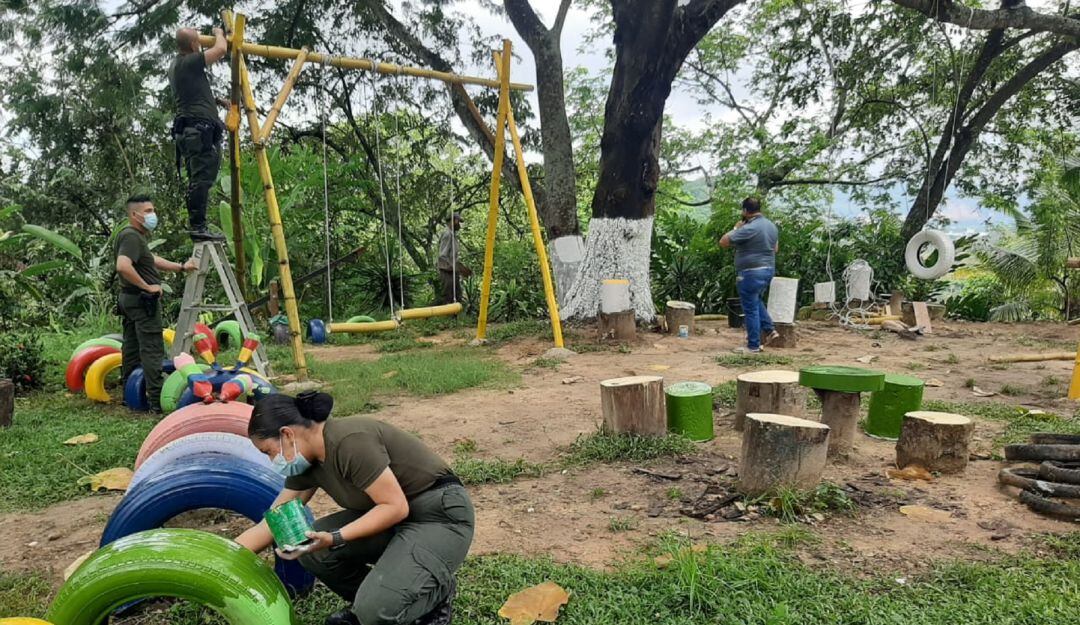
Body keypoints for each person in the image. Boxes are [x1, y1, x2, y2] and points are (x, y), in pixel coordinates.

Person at [236, 392, 474, 625]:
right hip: (396, 522)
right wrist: (224, 557)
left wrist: (334, 537)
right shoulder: (307, 462)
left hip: (438, 516)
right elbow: (273, 521)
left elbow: (395, 507)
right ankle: (373, 602)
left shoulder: (348, 441)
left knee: (375, 613)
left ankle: (432, 595)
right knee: (312, 548)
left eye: (268, 451)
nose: (272, 460)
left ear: (287, 434)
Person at [115, 195, 197, 412]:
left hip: (129, 299)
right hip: (142, 301)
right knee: (152, 349)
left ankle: (130, 395)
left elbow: (152, 260)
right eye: (149, 211)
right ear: (135, 214)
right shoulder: (131, 236)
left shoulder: (134, 236)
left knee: (131, 347)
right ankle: (157, 400)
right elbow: (123, 266)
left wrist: (181, 266)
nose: (153, 215)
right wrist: (147, 286)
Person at [169, 26, 229, 242]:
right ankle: (198, 228)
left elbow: (192, 95)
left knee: (201, 177)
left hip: (193, 130)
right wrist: (219, 34)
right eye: (199, 43)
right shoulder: (190, 61)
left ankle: (198, 226)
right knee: (201, 179)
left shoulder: (178, 65)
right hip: (198, 131)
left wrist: (217, 102)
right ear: (194, 45)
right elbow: (221, 50)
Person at [720, 197, 780, 353]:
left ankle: (753, 345)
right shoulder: (771, 226)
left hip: (750, 272)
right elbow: (775, 249)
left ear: (745, 211)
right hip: (768, 270)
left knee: (750, 308)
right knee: (755, 300)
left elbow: (724, 242)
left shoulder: (748, 228)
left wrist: (736, 228)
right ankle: (769, 329)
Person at [435, 212, 471, 305]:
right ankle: (447, 316)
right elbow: (442, 255)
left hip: (452, 270)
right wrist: (455, 267)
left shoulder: (452, 234)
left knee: (457, 295)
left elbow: (452, 256)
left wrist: (461, 268)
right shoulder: (447, 234)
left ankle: (454, 316)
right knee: (449, 296)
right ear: (453, 221)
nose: (459, 224)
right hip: (447, 271)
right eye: (458, 221)